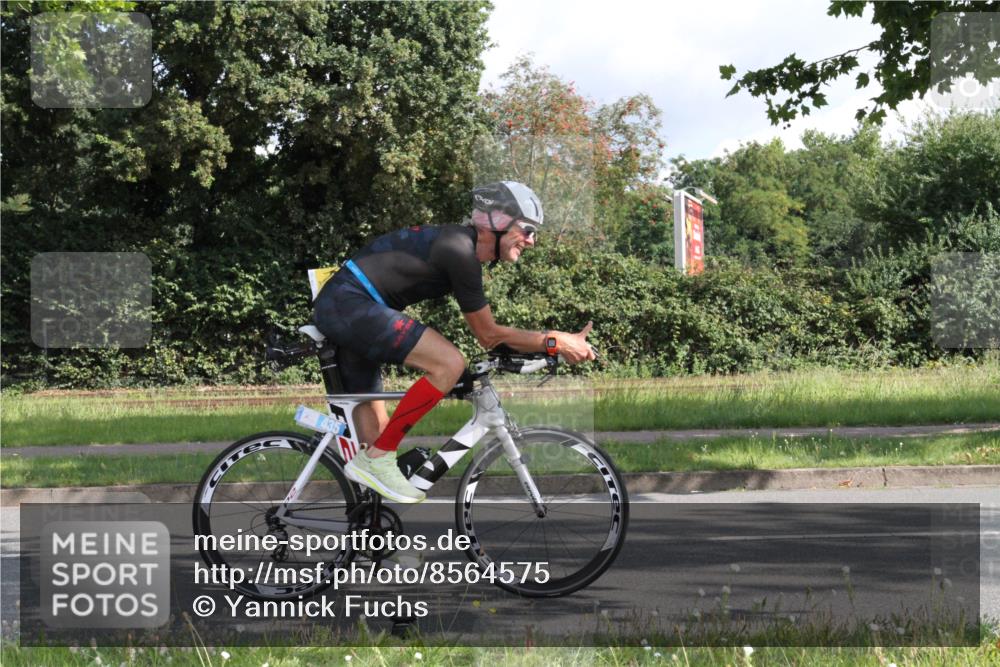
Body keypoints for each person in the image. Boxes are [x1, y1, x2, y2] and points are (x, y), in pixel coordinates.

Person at [313, 181, 596, 503]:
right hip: (349, 304)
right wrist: (555, 341)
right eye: (528, 230)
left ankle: (371, 539)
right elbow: (488, 335)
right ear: (499, 221)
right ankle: (377, 458)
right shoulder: (458, 249)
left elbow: (494, 340)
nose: (532, 241)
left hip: (353, 307)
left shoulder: (462, 250)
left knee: (377, 451)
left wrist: (547, 350)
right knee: (448, 363)